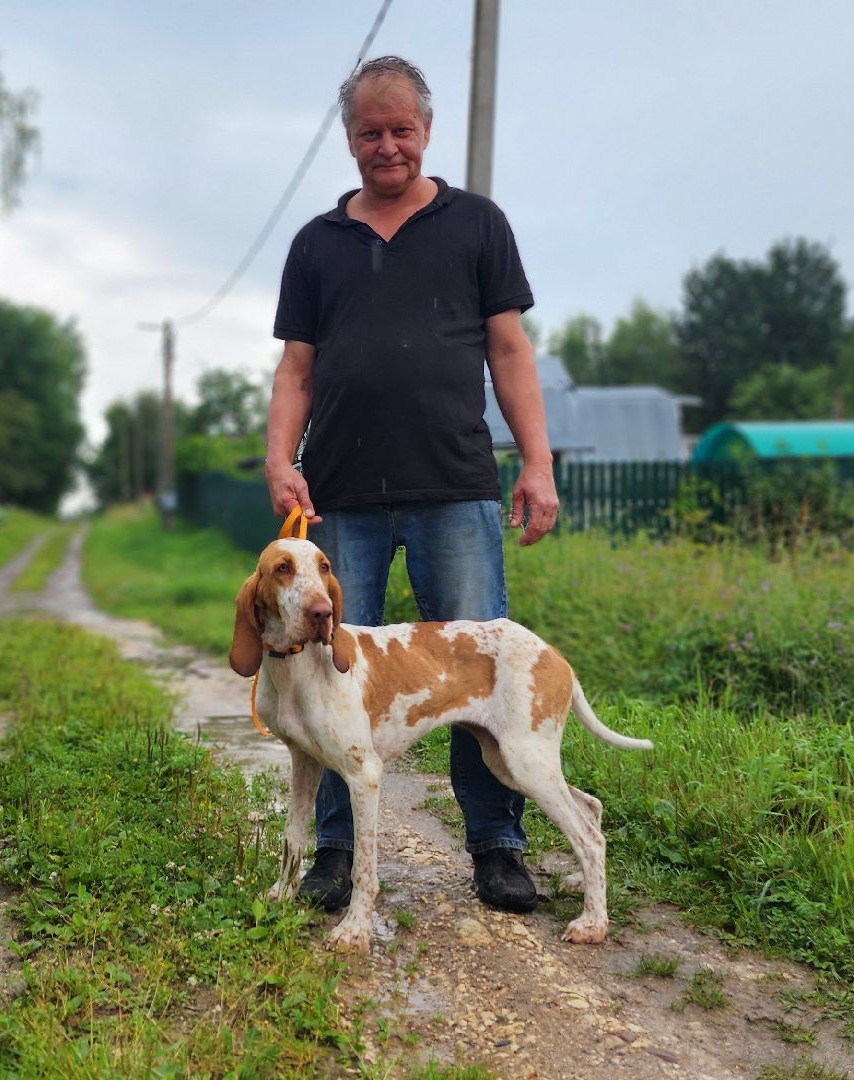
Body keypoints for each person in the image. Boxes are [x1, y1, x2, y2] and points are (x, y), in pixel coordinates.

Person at [265, 55, 560, 914]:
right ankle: (333, 853)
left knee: (476, 679)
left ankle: (498, 848)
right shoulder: (318, 244)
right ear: (350, 139)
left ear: (425, 132)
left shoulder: (478, 225)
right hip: (342, 497)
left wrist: (535, 463)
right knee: (326, 671)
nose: (386, 146)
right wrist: (281, 457)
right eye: (370, 132)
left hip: (455, 488)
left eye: (401, 130)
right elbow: (295, 367)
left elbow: (509, 352)